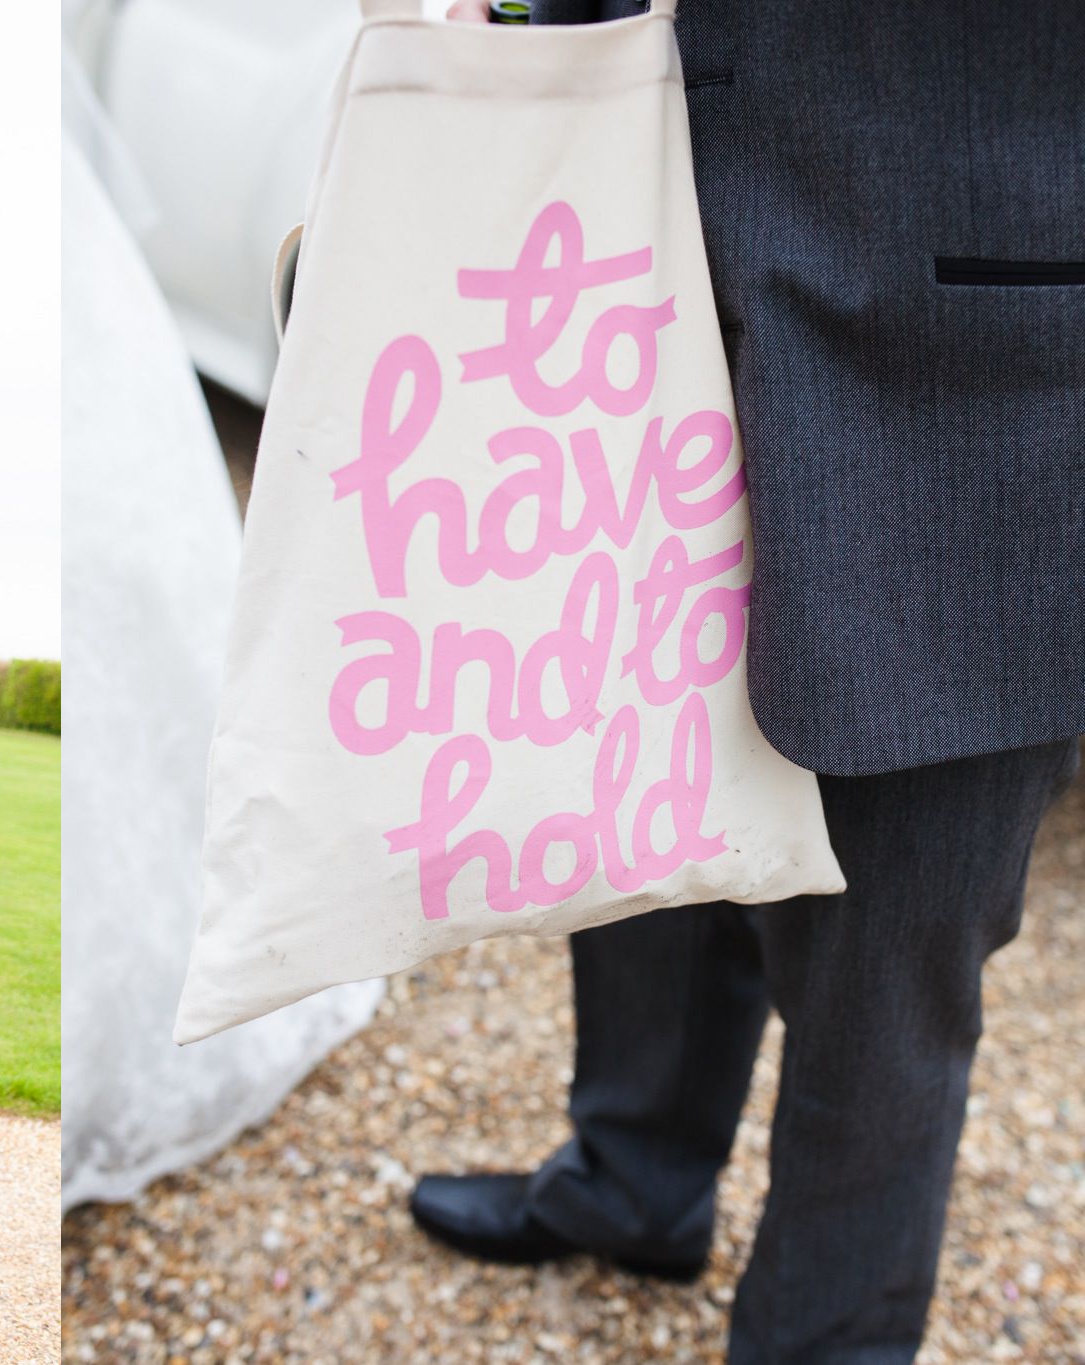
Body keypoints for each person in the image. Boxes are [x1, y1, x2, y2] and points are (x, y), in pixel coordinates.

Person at [411, 4, 1085, 1363]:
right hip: (635, 264)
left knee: (890, 956)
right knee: (633, 804)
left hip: (970, 318)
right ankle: (637, 1179)